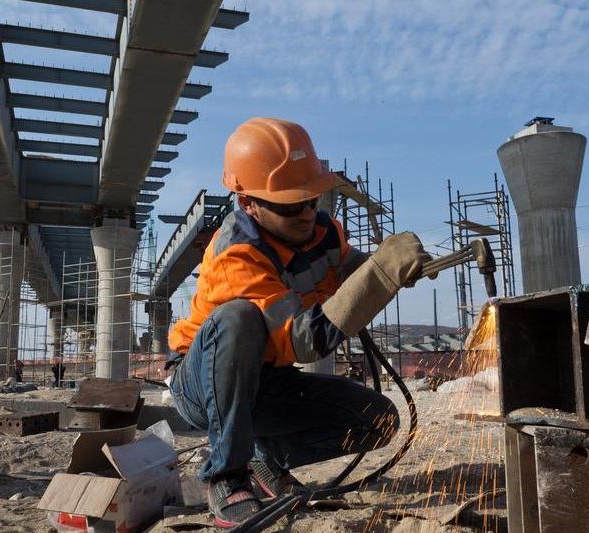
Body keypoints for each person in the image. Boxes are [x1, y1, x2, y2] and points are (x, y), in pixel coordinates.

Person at [167, 117, 429, 527]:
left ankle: (261, 459)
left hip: (267, 381)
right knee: (239, 318)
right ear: (248, 202)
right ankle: (225, 474)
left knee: (378, 422)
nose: (307, 211)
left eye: (312, 198)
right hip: (203, 384)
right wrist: (380, 276)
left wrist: (394, 267)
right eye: (291, 204)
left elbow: (350, 270)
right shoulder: (237, 254)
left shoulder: (323, 231)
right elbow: (304, 341)